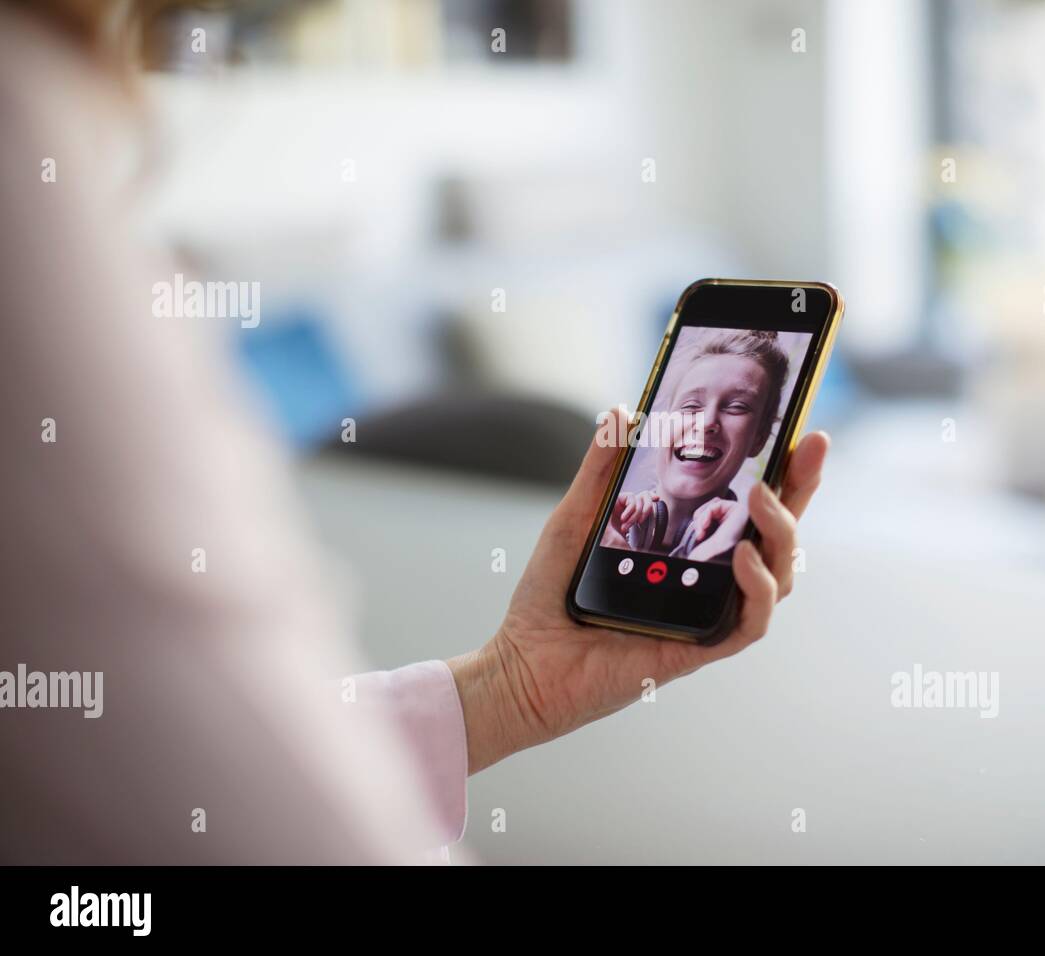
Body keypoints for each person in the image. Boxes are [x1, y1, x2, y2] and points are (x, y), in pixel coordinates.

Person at [0, 0, 829, 863]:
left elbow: (157, 762)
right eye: (706, 401)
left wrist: (510, 686)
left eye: (742, 409)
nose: (709, 426)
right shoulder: (24, 130)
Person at [603, 329, 795, 563]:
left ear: (759, 438)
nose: (706, 423)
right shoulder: (608, 525)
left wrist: (722, 555)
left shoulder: (744, 547)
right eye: (691, 405)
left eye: (737, 407)